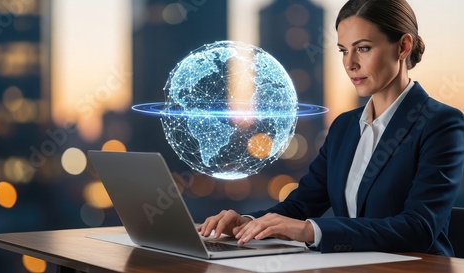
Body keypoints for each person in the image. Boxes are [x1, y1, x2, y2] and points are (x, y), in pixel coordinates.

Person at [198, 0, 464, 256]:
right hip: (351, 264)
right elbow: (301, 204)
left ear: (403, 47)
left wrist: (311, 230)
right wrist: (244, 222)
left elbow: (419, 228)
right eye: (343, 50)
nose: (349, 64)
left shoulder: (441, 124)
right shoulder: (344, 126)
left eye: (363, 48)